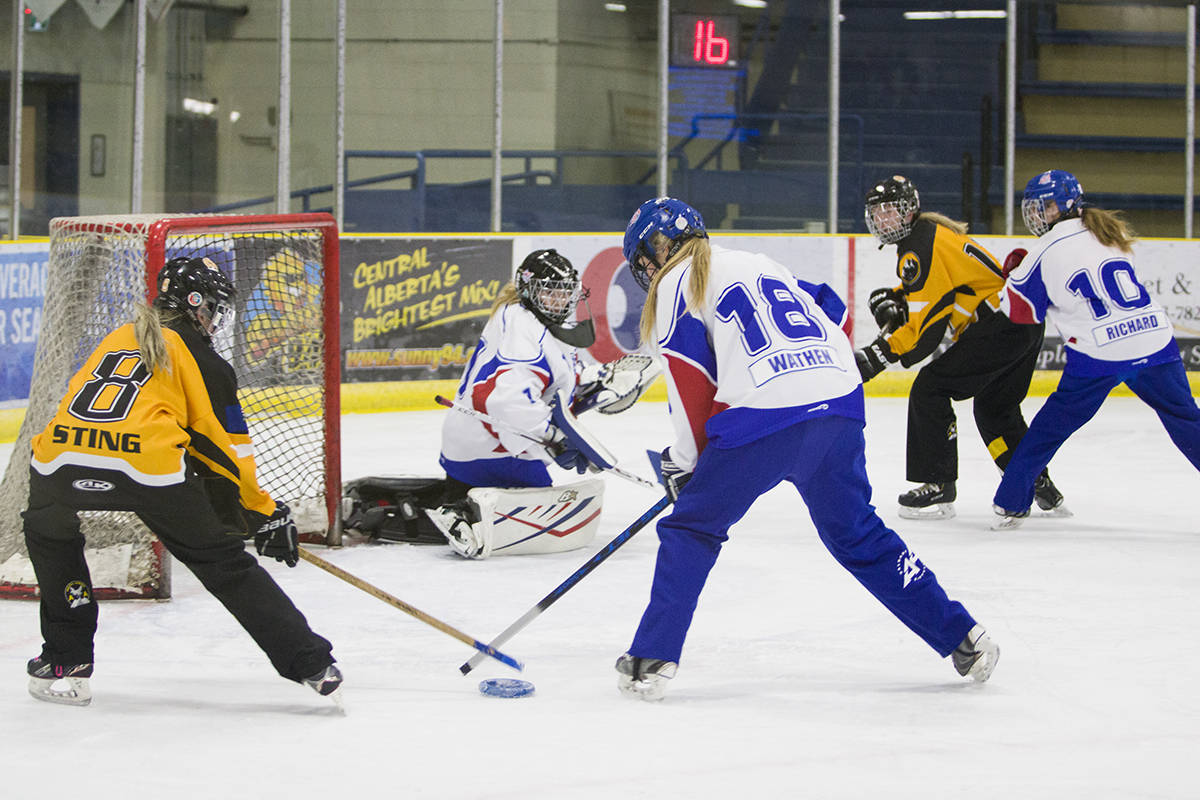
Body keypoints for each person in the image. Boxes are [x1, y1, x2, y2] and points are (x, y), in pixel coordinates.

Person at [614, 196, 1000, 701]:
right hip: (838, 403)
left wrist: (685, 466)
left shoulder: (673, 284)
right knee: (859, 534)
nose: (646, 270)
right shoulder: (757, 261)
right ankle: (963, 636)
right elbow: (833, 312)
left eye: (643, 259)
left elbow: (692, 380)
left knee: (692, 527)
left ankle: (652, 657)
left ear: (656, 251)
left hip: (765, 417)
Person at [22, 256, 341, 706]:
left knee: (50, 537)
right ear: (197, 305)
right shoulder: (203, 360)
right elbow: (226, 451)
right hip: (147, 468)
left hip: (59, 460)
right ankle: (312, 664)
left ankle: (64, 658)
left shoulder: (117, 335)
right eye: (214, 308)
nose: (216, 320)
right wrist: (264, 514)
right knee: (223, 564)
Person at [992, 169, 1200, 527]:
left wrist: (1012, 276)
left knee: (1047, 430)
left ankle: (1011, 502)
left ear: (1066, 206)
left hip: (1099, 355)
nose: (1039, 215)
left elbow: (1020, 313)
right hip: (1154, 341)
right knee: (1187, 420)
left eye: (1046, 207)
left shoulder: (1043, 251)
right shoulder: (1110, 234)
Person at [857, 174, 1066, 519]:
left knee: (930, 388)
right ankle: (1034, 480)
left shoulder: (919, 246)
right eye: (878, 213)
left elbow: (926, 330)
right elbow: (944, 291)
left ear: (910, 211)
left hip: (999, 327)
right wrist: (896, 296)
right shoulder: (929, 235)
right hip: (1022, 324)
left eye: (891, 211)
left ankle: (938, 485)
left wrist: (878, 355)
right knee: (994, 409)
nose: (883, 220)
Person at [429, 248, 656, 558]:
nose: (559, 300)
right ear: (529, 290)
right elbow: (507, 402)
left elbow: (551, 383)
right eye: (549, 292)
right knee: (557, 517)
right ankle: (465, 516)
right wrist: (555, 439)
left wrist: (597, 379)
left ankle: (454, 499)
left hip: (466, 447)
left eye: (565, 293)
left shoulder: (527, 317)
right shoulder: (525, 330)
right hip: (490, 450)